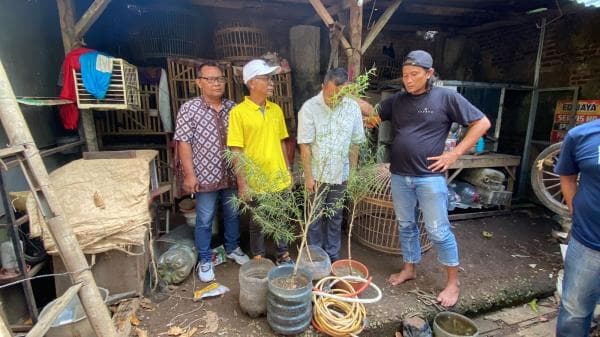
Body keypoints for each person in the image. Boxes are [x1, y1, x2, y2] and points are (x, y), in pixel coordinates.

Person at [378, 50, 491, 307]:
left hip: (429, 178)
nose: (408, 80)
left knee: (438, 231)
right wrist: (350, 99)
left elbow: (482, 123)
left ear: (429, 74)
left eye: (414, 75)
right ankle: (409, 268)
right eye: (405, 75)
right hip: (400, 175)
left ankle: (452, 283)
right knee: (406, 225)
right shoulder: (397, 101)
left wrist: (455, 154)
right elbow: (373, 114)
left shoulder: (446, 97)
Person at [174, 61, 249, 283]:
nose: (217, 83)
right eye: (211, 79)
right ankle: (205, 258)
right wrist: (189, 174)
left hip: (231, 174)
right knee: (205, 218)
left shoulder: (233, 108)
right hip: (204, 175)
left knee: (233, 213)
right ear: (199, 82)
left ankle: (233, 248)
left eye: (220, 79)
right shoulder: (189, 108)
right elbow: (183, 143)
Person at [227, 59, 293, 265]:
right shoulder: (238, 113)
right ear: (252, 83)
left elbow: (282, 142)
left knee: (281, 217)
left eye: (271, 78)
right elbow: (236, 151)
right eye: (266, 78)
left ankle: (282, 254)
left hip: (278, 176)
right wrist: (242, 183)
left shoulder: (276, 110)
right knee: (257, 222)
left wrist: (287, 170)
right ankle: (259, 257)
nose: (272, 83)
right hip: (256, 179)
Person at [297, 68, 365, 262]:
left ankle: (333, 256)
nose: (333, 99)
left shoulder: (352, 108)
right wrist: (308, 177)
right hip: (317, 174)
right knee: (314, 218)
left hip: (340, 173)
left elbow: (355, 143)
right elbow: (305, 145)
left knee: (335, 216)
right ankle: (315, 257)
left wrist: (351, 172)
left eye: (339, 95)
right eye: (329, 94)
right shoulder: (309, 108)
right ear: (323, 87)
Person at [554, 119, 600, 337]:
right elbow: (567, 176)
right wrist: (576, 210)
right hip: (588, 242)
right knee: (574, 313)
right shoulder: (581, 135)